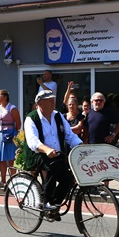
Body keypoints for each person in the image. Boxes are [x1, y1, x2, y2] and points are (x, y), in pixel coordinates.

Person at [23, 89, 83, 218]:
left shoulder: (58, 116)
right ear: (40, 103)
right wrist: (46, 149)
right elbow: (33, 141)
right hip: (37, 153)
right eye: (49, 100)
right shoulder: (31, 118)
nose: (52, 102)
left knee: (68, 179)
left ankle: (53, 206)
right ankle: (45, 202)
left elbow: (69, 135)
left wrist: (81, 146)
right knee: (52, 167)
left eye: (53, 99)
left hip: (57, 154)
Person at [0, 89, 20, 187]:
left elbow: (18, 123)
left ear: (5, 97)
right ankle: (3, 180)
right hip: (0, 134)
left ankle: (14, 180)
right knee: (1, 158)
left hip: (10, 134)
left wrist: (14, 134)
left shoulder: (12, 108)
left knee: (11, 158)